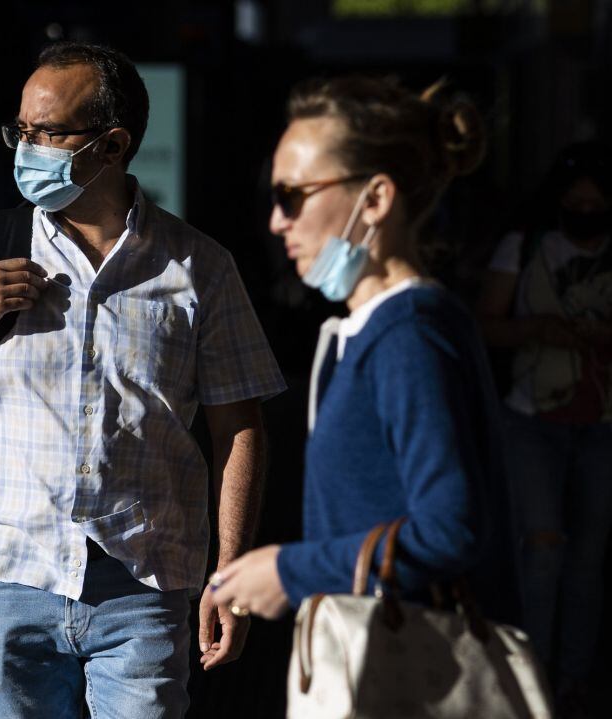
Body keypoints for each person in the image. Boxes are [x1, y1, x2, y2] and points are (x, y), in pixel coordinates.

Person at [0, 42, 285, 718]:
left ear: (112, 144)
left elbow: (239, 427)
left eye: (47, 132)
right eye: (21, 130)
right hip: (8, 575)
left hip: (143, 581)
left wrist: (231, 575)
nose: (25, 148)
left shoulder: (199, 268)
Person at [209, 75, 517, 626]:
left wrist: (288, 571)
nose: (278, 220)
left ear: (375, 198)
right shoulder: (376, 327)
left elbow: (451, 528)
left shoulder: (409, 333)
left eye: (293, 196)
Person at [476, 140, 612, 717]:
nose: (584, 210)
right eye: (574, 200)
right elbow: (486, 324)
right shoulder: (527, 246)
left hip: (603, 422)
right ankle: (531, 680)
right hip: (532, 420)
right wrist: (538, 329)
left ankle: (572, 678)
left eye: (594, 202)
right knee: (544, 552)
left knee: (589, 558)